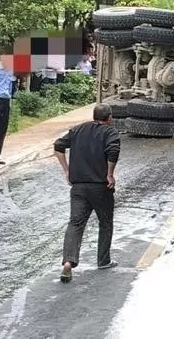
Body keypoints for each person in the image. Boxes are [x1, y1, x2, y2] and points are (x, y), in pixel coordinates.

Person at [53, 103, 121, 283]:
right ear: (110, 118)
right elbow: (113, 152)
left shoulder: (77, 130)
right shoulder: (110, 133)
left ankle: (68, 261)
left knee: (75, 223)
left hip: (78, 187)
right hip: (100, 187)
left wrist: (67, 170)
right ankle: (103, 260)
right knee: (105, 222)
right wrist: (109, 174)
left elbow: (58, 145)